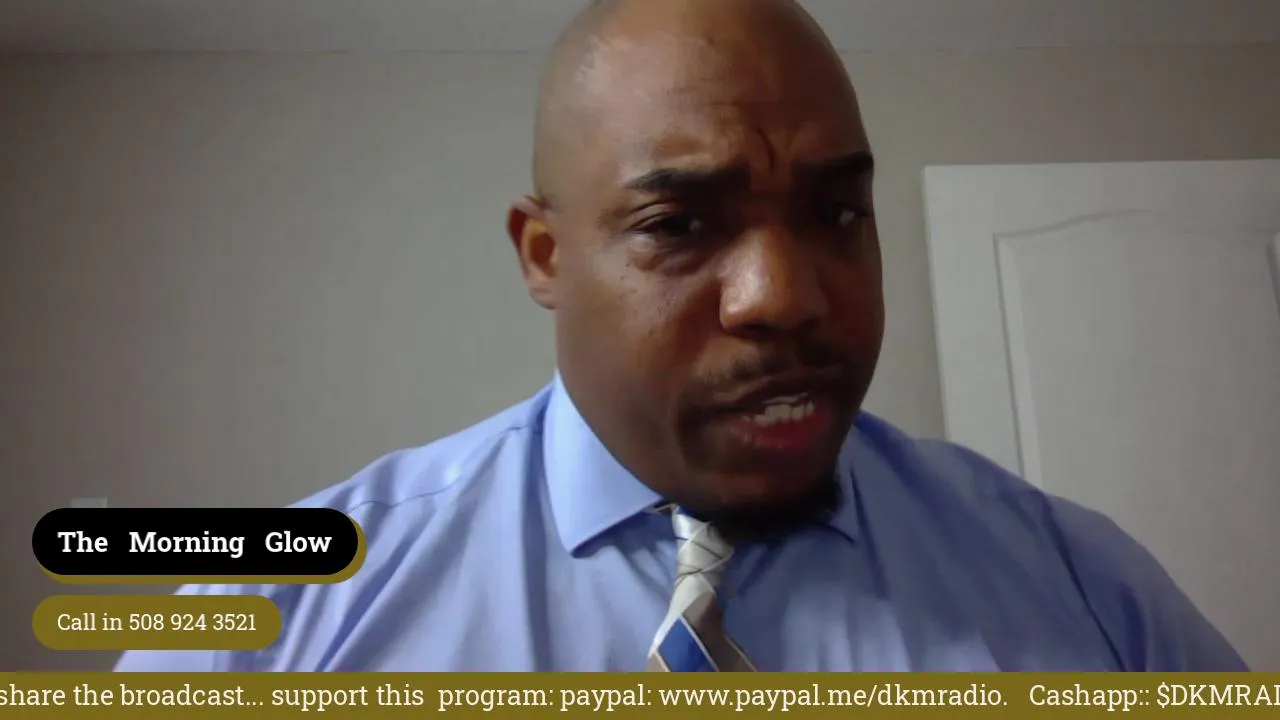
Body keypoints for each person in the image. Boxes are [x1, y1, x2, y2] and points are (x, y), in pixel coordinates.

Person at [115, 0, 1246, 672]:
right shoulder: (276, 618)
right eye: (679, 225)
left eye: (835, 214)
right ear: (545, 256)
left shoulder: (1082, 587)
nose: (782, 297)